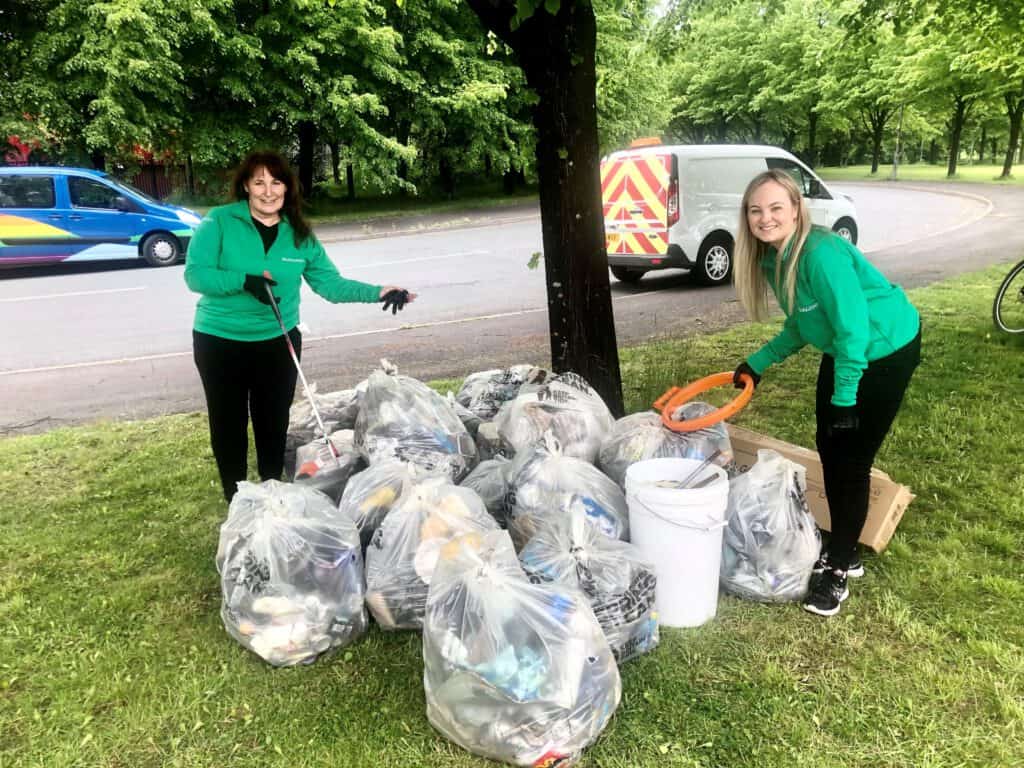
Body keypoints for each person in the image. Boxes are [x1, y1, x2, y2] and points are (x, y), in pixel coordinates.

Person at [731, 169, 921, 617]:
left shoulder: (822, 254)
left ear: (796, 208)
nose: (765, 218)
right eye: (756, 210)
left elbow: (853, 330)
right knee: (830, 448)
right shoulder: (772, 259)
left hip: (884, 346)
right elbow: (804, 322)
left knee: (850, 459)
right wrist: (757, 364)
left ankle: (838, 568)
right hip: (847, 345)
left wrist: (845, 398)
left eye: (776, 207)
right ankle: (845, 547)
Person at [184, 150, 415, 502]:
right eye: (258, 182)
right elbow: (196, 275)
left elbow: (331, 285)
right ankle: (237, 500)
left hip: (278, 341)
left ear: (287, 188)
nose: (267, 191)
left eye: (276, 182)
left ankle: (273, 493)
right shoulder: (219, 222)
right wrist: (243, 280)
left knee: (272, 421)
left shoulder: (300, 235)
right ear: (246, 186)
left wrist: (379, 291)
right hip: (220, 341)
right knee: (228, 422)